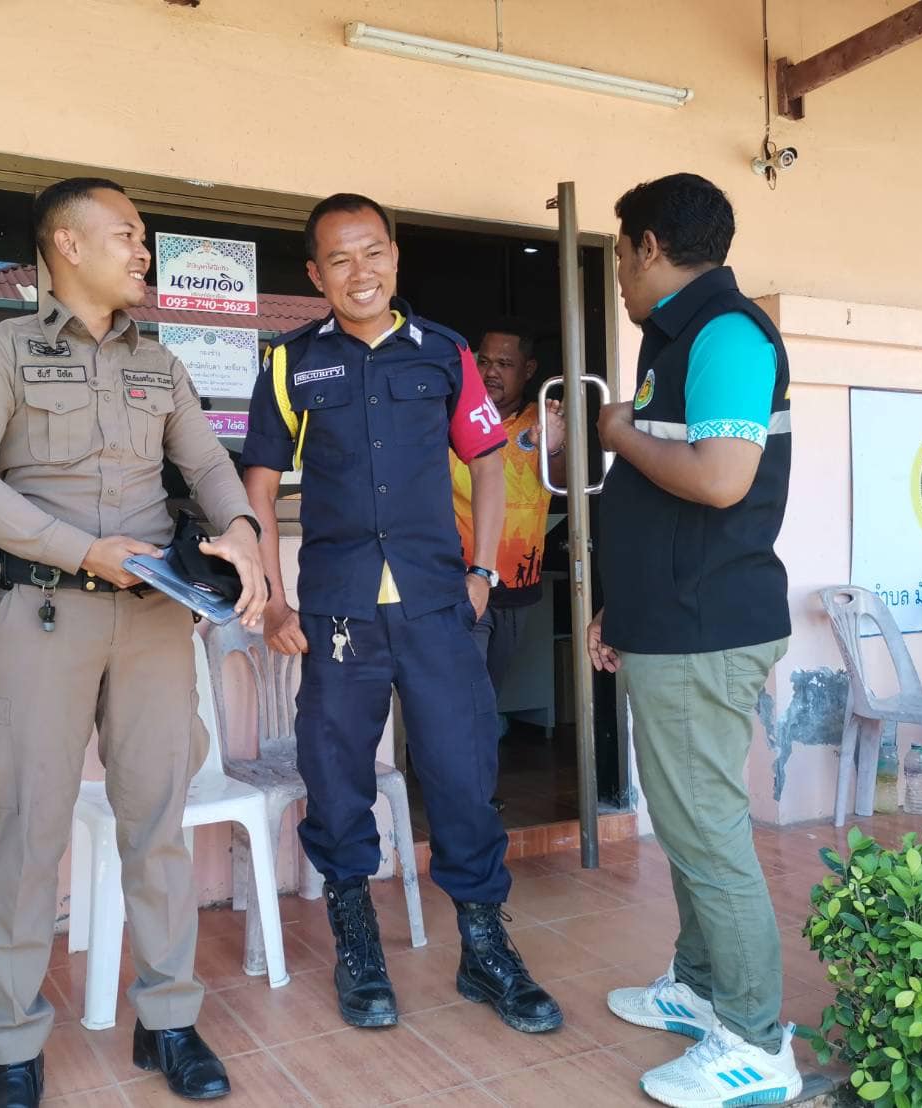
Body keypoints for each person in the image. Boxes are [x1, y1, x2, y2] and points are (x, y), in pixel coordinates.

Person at [0, 177, 268, 1108]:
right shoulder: (0, 351)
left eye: (144, 236)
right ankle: (12, 1048)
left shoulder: (159, 362)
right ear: (68, 245)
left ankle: (168, 1023)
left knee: (157, 823)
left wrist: (241, 530)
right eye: (126, 234)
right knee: (30, 830)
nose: (143, 251)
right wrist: (81, 550)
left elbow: (207, 462)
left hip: (156, 618)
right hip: (47, 613)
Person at [241, 193, 563, 1036]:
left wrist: (482, 571)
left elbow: (488, 460)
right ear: (315, 275)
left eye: (372, 252)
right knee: (335, 772)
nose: (360, 272)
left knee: (461, 770)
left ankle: (483, 948)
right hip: (339, 610)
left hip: (435, 605)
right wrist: (273, 599)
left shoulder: (444, 354)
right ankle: (357, 942)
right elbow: (259, 486)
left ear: (394, 257)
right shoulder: (290, 364)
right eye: (339, 259)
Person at [586, 173, 798, 1107]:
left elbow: (718, 480)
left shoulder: (725, 333)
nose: (617, 274)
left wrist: (614, 431)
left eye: (618, 253)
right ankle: (699, 987)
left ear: (647, 245)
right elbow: (665, 508)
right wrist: (619, 611)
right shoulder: (676, 337)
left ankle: (753, 1043)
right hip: (671, 621)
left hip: (704, 629)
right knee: (685, 823)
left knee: (707, 834)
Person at [450, 323, 565, 704]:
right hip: (463, 581)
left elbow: (564, 484)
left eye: (504, 364)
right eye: (484, 362)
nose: (491, 372)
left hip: (518, 590)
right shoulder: (453, 417)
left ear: (528, 369)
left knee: (491, 690)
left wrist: (553, 446)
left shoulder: (543, 419)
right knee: (470, 691)